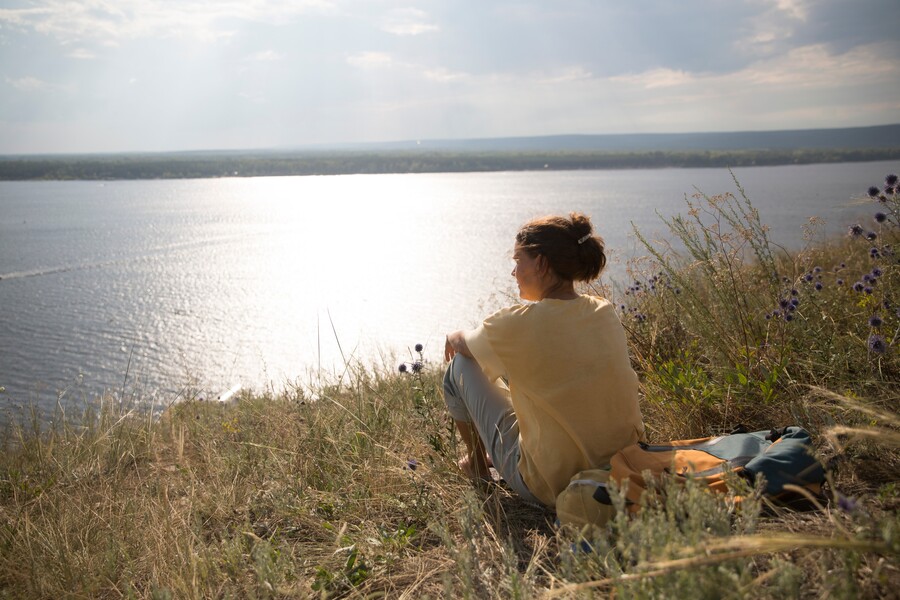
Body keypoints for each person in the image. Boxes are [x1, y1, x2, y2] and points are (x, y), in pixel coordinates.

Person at [443, 212, 645, 507]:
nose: (513, 273)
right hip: (623, 468)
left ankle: (476, 465)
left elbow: (463, 344)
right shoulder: (604, 311)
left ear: (540, 262)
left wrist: (451, 336)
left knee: (459, 366)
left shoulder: (518, 324)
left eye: (517, 261)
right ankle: (492, 455)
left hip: (551, 484)